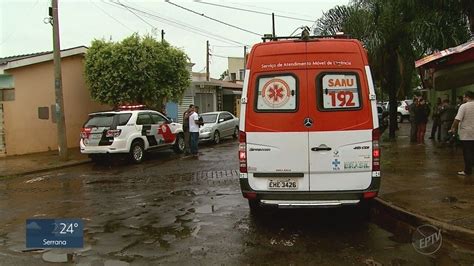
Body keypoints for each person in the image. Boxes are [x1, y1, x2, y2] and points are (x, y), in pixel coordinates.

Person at [449, 91, 474, 176]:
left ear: (467, 97)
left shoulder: (464, 106)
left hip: (466, 133)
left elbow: (457, 119)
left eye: (464, 97)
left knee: (467, 152)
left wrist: (452, 128)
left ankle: (468, 170)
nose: (463, 99)